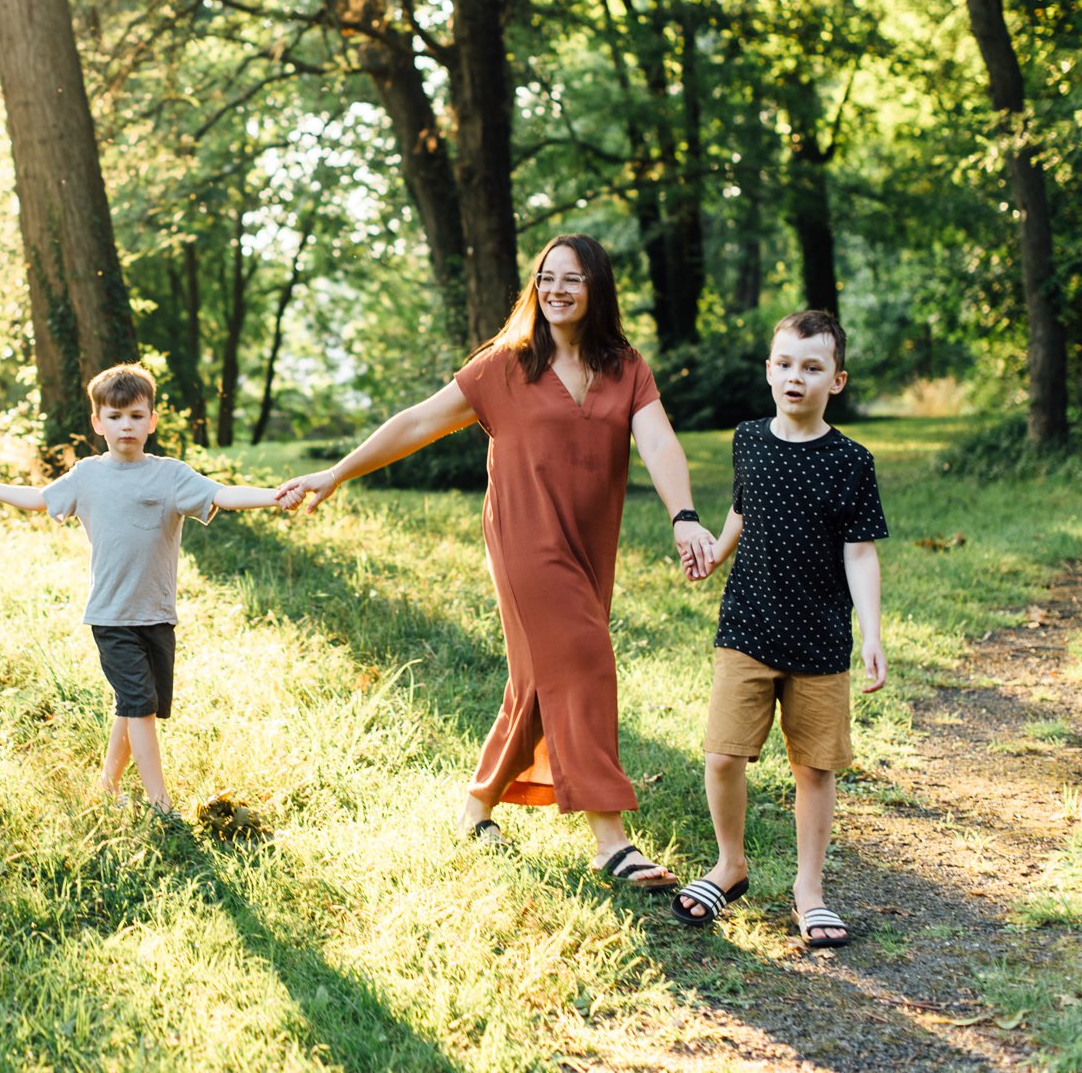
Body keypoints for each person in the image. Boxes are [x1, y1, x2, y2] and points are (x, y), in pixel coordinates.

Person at [276, 235, 717, 889]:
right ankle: (610, 838)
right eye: (546, 276)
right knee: (585, 656)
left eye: (572, 278)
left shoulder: (626, 367)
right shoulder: (505, 367)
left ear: (598, 288)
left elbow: (659, 442)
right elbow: (417, 422)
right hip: (523, 539)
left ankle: (478, 803)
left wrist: (684, 516)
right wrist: (338, 472)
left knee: (539, 679)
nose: (557, 288)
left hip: (587, 544)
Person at [0, 363, 285, 812]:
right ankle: (160, 802)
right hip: (112, 617)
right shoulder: (86, 475)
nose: (127, 425)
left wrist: (275, 495)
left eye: (137, 416)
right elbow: (40, 498)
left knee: (137, 703)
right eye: (116, 417)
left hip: (157, 614)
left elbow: (222, 494)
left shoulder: (171, 475)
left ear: (152, 421)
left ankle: (106, 785)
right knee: (139, 706)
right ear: (98, 422)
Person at [671, 309, 887, 947]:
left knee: (815, 769)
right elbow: (743, 504)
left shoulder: (851, 461)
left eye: (812, 367)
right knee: (721, 755)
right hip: (747, 626)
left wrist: (871, 632)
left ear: (836, 380)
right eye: (786, 364)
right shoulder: (748, 438)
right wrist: (716, 552)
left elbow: (861, 552)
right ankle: (730, 865)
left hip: (820, 639)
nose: (797, 377)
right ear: (770, 371)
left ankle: (809, 889)